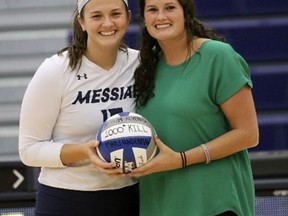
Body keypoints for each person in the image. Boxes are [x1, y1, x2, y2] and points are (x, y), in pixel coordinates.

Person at [127, 0, 259, 215]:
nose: (160, 17)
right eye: (152, 10)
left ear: (185, 12)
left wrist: (182, 159)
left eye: (170, 8)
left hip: (214, 203)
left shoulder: (218, 56)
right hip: (162, 203)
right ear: (144, 18)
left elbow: (248, 134)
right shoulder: (147, 68)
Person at [18, 0, 140, 215]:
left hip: (129, 196)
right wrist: (84, 151)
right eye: (96, 16)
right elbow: (29, 151)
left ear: (128, 17)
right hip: (67, 199)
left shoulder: (139, 64)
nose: (107, 23)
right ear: (81, 22)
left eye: (115, 14)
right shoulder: (56, 70)